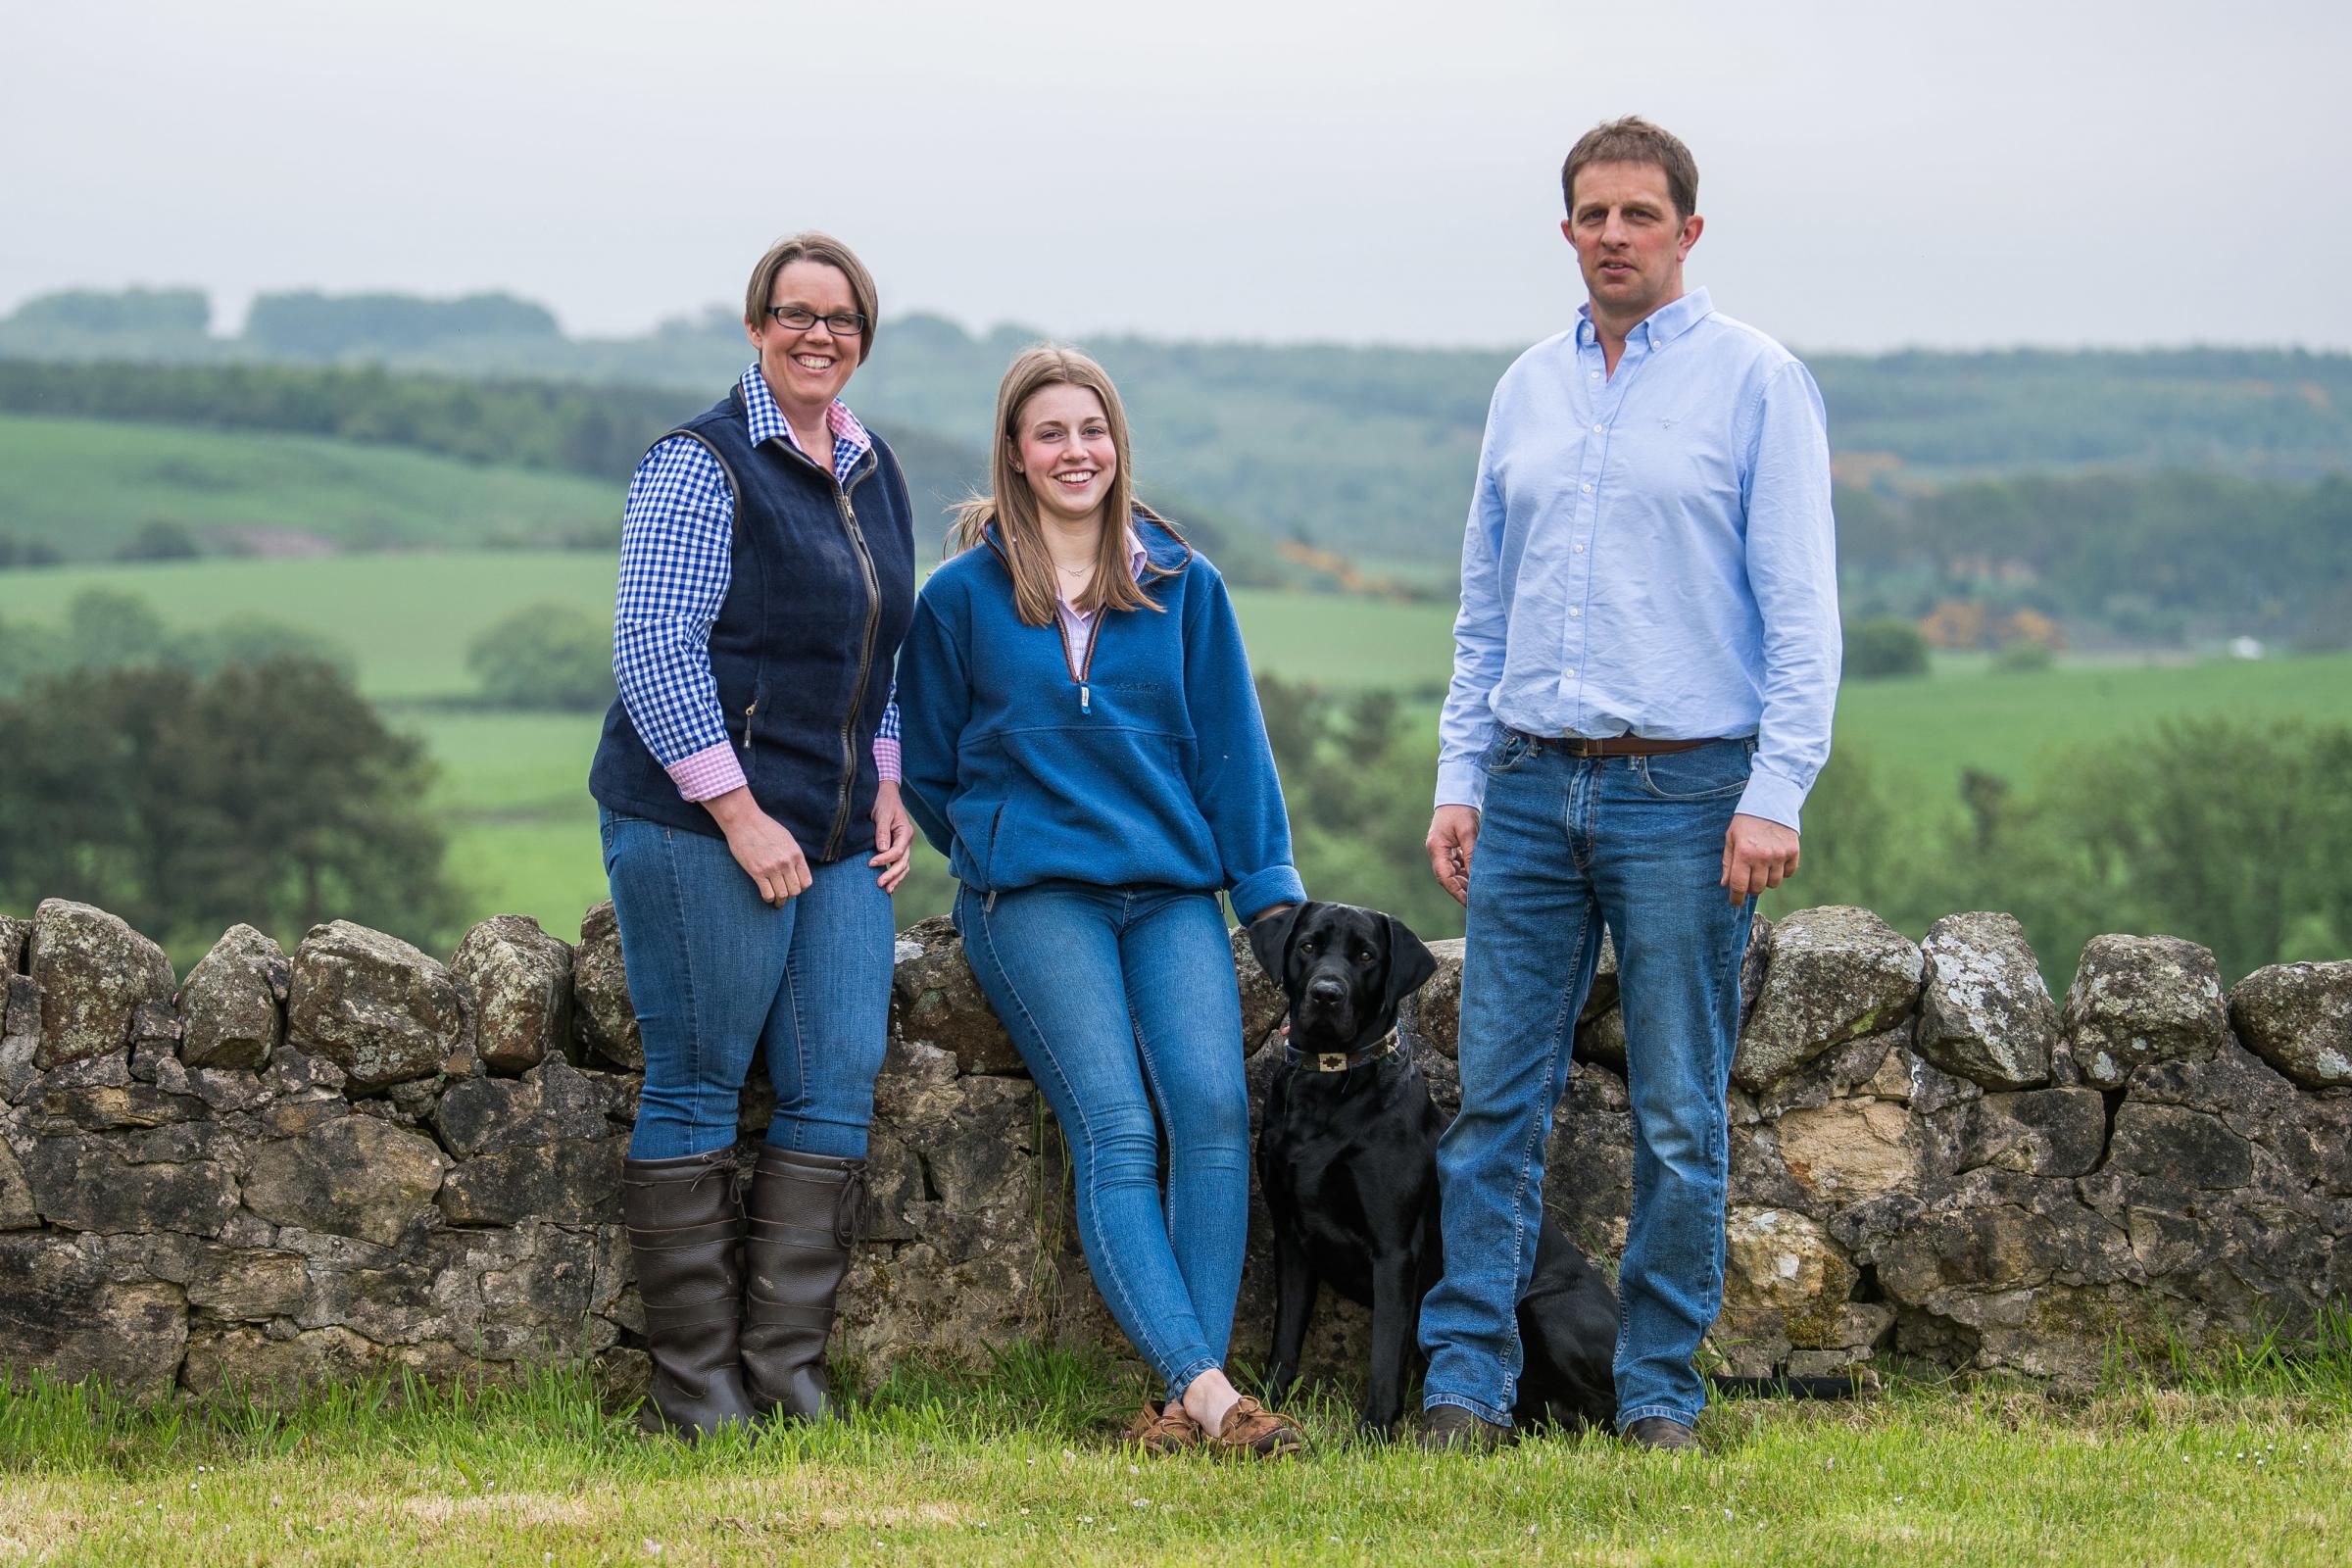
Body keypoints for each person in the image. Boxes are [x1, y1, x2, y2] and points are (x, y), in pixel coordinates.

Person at [1416, 117, 1840, 1453]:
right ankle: (1464, 1387)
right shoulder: (1526, 389)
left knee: (1675, 1107)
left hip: (1688, 794)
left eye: (1639, 215)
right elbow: (1484, 610)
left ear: (1687, 232)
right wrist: (1460, 775)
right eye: (1592, 215)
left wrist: (1777, 789)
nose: (1613, 235)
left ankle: (1657, 1393)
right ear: (1566, 231)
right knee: (1495, 1103)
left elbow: (1805, 613)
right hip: (1533, 785)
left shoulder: (1756, 382)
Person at [897, 345, 1310, 1458]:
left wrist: (1268, 895)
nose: (1075, 451)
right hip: (1034, 900)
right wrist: (995, 845)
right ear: (1016, 456)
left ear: (1116, 445)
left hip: (1171, 891)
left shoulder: (1184, 585)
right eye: (1050, 434)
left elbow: (1233, 752)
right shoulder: (961, 598)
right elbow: (926, 766)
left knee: (1215, 1118)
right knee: (1118, 1127)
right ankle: (1218, 1398)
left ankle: (1190, 1400)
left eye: (1093, 430)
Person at [587, 231, 918, 1439]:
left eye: (840, 317)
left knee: (835, 1082)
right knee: (699, 1083)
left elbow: (878, 652)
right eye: (793, 313)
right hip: (693, 820)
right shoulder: (699, 464)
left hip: (835, 833)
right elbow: (655, 649)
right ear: (754, 327)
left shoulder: (873, 469)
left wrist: (885, 777)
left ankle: (783, 1373)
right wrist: (737, 812)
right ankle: (692, 1392)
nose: (816, 334)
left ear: (863, 337)